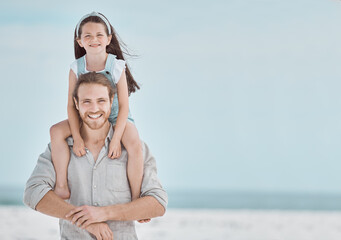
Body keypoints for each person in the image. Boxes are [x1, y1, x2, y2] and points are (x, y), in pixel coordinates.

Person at [23, 72, 168, 240]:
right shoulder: (59, 147)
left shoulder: (133, 148)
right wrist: (87, 221)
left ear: (111, 101)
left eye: (101, 101)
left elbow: (157, 203)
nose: (94, 109)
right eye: (86, 101)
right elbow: (33, 192)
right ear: (76, 104)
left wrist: (103, 213)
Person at [50, 11, 143, 204]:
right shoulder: (76, 68)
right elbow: (71, 104)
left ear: (108, 39)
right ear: (80, 41)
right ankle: (61, 186)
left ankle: (136, 195)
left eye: (99, 35)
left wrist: (117, 138)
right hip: (87, 118)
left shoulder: (116, 66)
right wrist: (76, 137)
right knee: (55, 131)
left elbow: (125, 105)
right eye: (88, 36)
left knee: (134, 143)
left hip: (116, 116)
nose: (94, 39)